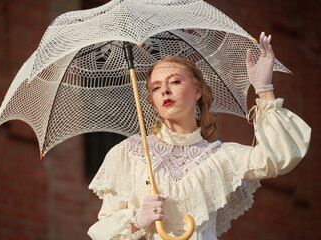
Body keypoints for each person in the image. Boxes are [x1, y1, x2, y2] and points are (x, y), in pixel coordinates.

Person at [87, 32, 311, 239]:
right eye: (155, 88)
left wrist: (264, 88)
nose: (164, 90)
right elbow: (102, 233)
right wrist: (136, 221)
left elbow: (278, 158)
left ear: (197, 91)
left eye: (175, 81)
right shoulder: (129, 154)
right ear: (153, 103)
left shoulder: (219, 157)